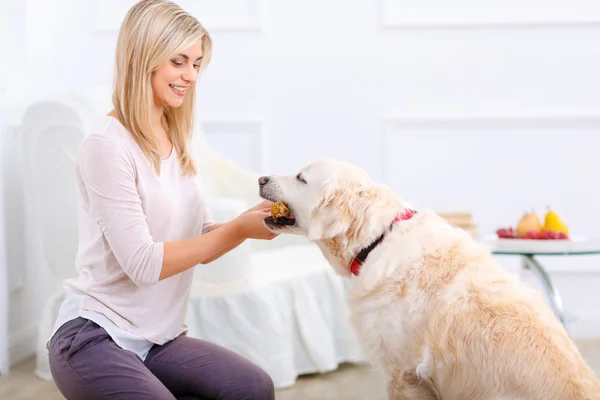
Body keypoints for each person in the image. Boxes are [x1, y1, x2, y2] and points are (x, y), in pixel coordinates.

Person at [47, 1, 278, 399]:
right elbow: (144, 264)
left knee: (252, 387)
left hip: (157, 339)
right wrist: (240, 228)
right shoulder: (107, 146)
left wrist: (252, 224)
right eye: (179, 61)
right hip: (94, 335)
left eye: (196, 64)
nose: (190, 76)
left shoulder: (176, 136)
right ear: (140, 57)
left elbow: (200, 237)